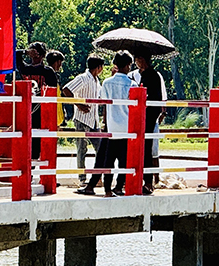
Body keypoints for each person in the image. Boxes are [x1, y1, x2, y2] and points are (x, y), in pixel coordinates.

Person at [76, 52, 135, 197]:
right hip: (126, 127)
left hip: (111, 126)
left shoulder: (107, 83)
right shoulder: (132, 84)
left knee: (107, 160)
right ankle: (119, 187)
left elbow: (103, 102)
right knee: (124, 160)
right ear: (128, 65)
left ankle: (107, 189)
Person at [64, 56, 104, 187]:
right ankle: (82, 178)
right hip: (82, 118)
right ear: (98, 67)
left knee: (100, 149)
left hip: (94, 120)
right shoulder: (83, 78)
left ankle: (97, 177)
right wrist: (78, 104)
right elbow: (66, 89)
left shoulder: (96, 81)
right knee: (82, 149)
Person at [131, 53, 165, 195]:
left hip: (148, 116)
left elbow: (153, 97)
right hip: (147, 115)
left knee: (146, 149)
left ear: (142, 59)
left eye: (137, 60)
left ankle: (148, 181)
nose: (136, 63)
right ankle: (144, 180)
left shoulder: (151, 75)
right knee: (144, 148)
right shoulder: (149, 75)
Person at [17, 42, 58, 160]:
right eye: (33, 54)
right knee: (24, 138)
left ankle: (36, 163)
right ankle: (27, 165)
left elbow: (53, 91)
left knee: (38, 140)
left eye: (38, 54)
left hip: (41, 111)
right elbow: (14, 55)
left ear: (43, 55)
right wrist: (25, 52)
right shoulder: (25, 69)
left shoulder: (47, 71)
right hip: (26, 110)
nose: (35, 57)